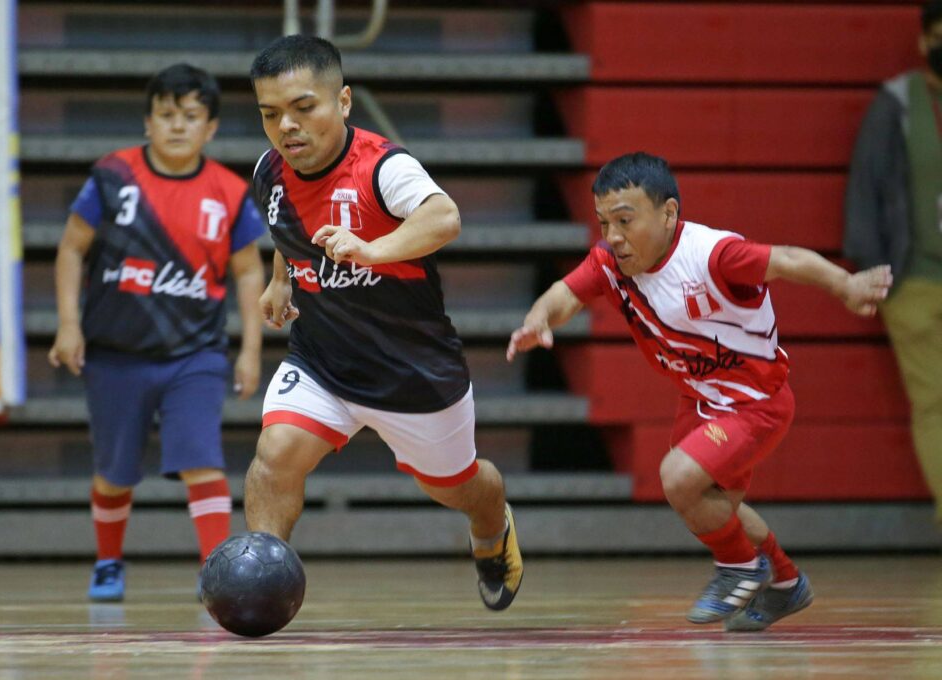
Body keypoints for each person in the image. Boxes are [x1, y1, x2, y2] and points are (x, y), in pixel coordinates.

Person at [508, 152, 891, 630]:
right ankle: (786, 583)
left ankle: (739, 568)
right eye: (604, 222)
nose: (613, 237)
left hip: (756, 404)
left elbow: (789, 260)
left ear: (668, 213)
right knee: (713, 506)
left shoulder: (713, 256)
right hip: (702, 399)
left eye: (625, 220)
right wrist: (539, 318)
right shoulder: (611, 261)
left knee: (678, 478)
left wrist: (847, 285)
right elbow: (568, 292)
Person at [243, 34, 523, 610]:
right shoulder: (270, 171)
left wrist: (372, 249)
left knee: (458, 487)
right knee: (275, 455)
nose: (286, 127)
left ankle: (492, 529)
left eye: (303, 108)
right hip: (321, 360)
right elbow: (286, 227)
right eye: (270, 114)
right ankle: (260, 587)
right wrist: (280, 279)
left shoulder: (384, 166)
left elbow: (445, 217)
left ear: (343, 102)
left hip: (413, 371)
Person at [48, 63, 266, 602]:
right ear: (147, 122)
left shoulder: (230, 192)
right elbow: (72, 248)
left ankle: (216, 571)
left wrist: (250, 351)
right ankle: (107, 563)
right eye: (166, 115)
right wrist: (69, 325)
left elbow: (248, 272)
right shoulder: (112, 176)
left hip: (196, 353)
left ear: (210, 128)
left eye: (190, 116)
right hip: (115, 353)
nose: (177, 126)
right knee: (115, 473)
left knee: (201, 458)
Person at [845, 0, 942, 526]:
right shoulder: (897, 103)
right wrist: (875, 273)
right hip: (916, 279)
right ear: (925, 40)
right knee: (935, 403)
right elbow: (866, 188)